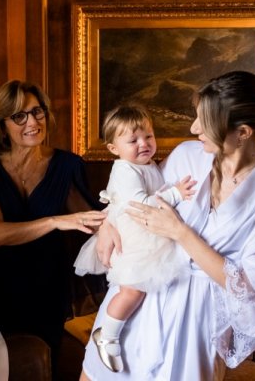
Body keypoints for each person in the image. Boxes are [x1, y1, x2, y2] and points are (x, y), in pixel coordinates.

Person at [81, 71, 255, 380]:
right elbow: (136, 197)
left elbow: (253, 289)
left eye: (204, 120)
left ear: (242, 132)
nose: (193, 128)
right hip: (137, 302)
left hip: (196, 325)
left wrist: (181, 233)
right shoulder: (187, 156)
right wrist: (109, 222)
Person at [0, 79, 107, 370]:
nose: (32, 122)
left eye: (37, 112)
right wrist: (54, 220)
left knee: (44, 366)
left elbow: (90, 223)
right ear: (2, 124)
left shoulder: (67, 165)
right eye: (19, 116)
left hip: (49, 289)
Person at [73, 104, 196, 372]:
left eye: (148, 136)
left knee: (141, 289)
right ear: (113, 148)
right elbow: (139, 204)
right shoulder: (125, 170)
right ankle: (107, 335)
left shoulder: (148, 164)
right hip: (133, 240)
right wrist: (175, 194)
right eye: (133, 140)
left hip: (147, 236)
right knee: (132, 289)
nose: (143, 144)